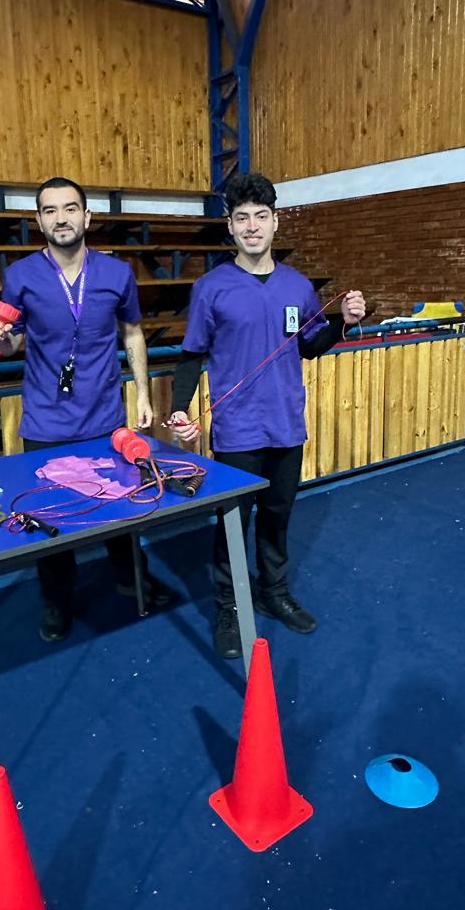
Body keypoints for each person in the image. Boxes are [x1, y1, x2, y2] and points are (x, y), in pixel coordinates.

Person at [168, 172, 365, 658]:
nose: (252, 226)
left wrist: (343, 323)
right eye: (242, 218)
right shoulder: (211, 288)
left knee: (277, 517)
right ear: (230, 227)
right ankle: (230, 607)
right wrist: (179, 407)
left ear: (276, 222)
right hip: (237, 430)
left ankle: (274, 594)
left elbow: (310, 346)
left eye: (260, 217)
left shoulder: (298, 286)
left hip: (286, 425)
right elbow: (191, 355)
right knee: (231, 524)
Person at [0, 176, 174, 642]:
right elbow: (14, 341)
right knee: (50, 515)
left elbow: (132, 333)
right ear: (39, 220)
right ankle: (56, 601)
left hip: (104, 418)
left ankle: (132, 579)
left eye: (70, 208)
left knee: (121, 508)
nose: (61, 218)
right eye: (50, 210)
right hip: (46, 421)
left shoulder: (117, 273)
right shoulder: (21, 275)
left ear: (87, 216)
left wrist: (142, 394)